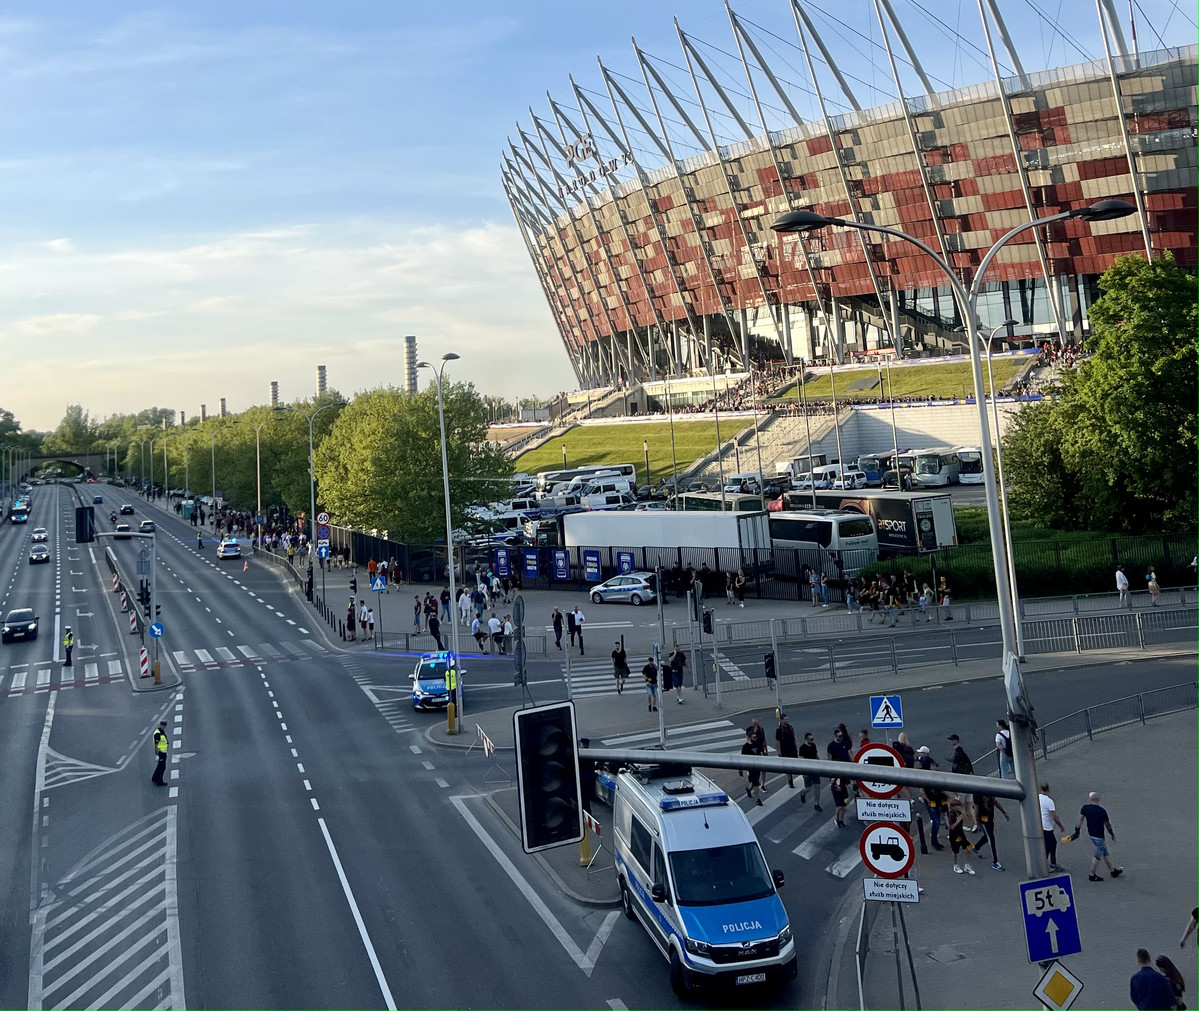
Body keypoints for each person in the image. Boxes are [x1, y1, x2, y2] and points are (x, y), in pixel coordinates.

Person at [1069, 791, 1124, 881]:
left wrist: (1077, 831)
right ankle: (1092, 874)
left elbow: (1080, 820)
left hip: (1091, 834)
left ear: (1090, 799)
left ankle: (1112, 870)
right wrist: (1112, 834)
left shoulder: (1085, 808)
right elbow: (1107, 825)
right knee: (1098, 854)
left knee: (1104, 852)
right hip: (1099, 836)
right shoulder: (1102, 811)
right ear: (1098, 799)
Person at [970, 792, 1009, 871]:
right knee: (991, 839)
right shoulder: (977, 793)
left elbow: (994, 801)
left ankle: (976, 847)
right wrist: (978, 823)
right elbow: (976, 809)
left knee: (987, 836)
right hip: (984, 820)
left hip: (990, 818)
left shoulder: (989, 789)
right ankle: (995, 862)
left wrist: (1004, 812)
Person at [1039, 781, 1066, 872]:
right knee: (1051, 844)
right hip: (1047, 826)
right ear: (1048, 790)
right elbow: (1054, 816)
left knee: (1049, 844)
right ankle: (1048, 865)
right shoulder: (1049, 801)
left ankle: (1049, 863)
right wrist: (1061, 826)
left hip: (1040, 825)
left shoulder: (1038, 798)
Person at [798, 732, 822, 810]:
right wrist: (803, 771)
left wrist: (820, 763)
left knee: (817, 786)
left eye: (813, 739)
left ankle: (816, 803)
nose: (812, 740)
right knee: (809, 788)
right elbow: (801, 760)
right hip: (807, 770)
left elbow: (816, 755)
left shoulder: (813, 745)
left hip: (815, 769)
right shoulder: (802, 748)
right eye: (811, 739)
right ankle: (803, 793)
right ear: (806, 739)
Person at [741, 729, 764, 806]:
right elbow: (742, 758)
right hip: (751, 767)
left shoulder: (757, 744)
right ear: (749, 738)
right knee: (756, 784)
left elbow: (761, 753)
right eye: (754, 737)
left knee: (755, 782)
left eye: (756, 737)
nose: (755, 738)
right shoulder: (745, 747)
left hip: (757, 766)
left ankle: (749, 789)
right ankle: (758, 799)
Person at [775, 715, 799, 787]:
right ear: (782, 720)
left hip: (792, 748)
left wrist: (796, 744)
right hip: (785, 749)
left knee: (794, 762)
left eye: (787, 719)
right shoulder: (779, 729)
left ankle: (792, 775)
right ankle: (790, 780)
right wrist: (779, 751)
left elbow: (793, 736)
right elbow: (777, 741)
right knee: (788, 766)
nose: (787, 721)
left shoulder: (790, 727)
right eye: (785, 719)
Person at [151, 721, 169, 786]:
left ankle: (154, 778)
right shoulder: (158, 733)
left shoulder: (161, 731)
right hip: (160, 753)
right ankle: (159, 781)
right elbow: (156, 745)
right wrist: (156, 755)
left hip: (163, 752)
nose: (164, 726)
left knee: (159, 766)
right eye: (163, 725)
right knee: (162, 767)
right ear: (160, 725)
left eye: (165, 725)